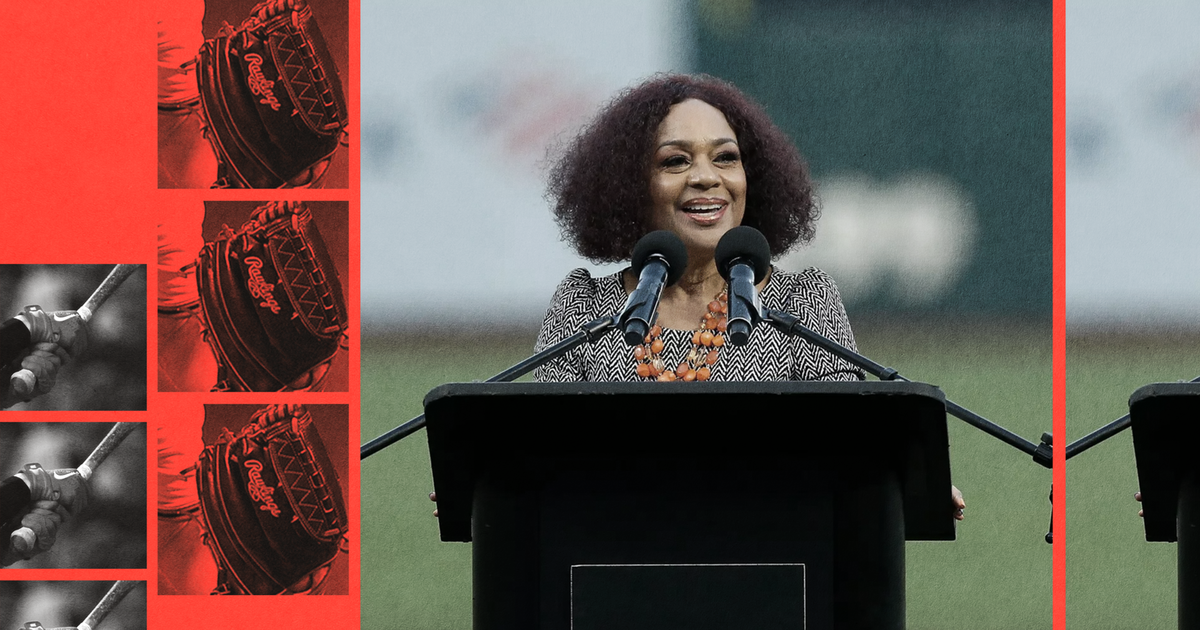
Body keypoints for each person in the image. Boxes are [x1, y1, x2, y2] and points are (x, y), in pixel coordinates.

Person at [531, 74, 966, 519]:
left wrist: (900, 476)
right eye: (676, 161)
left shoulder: (802, 301)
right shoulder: (584, 307)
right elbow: (537, 461)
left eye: (725, 157)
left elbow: (849, 447)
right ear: (630, 185)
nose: (706, 177)